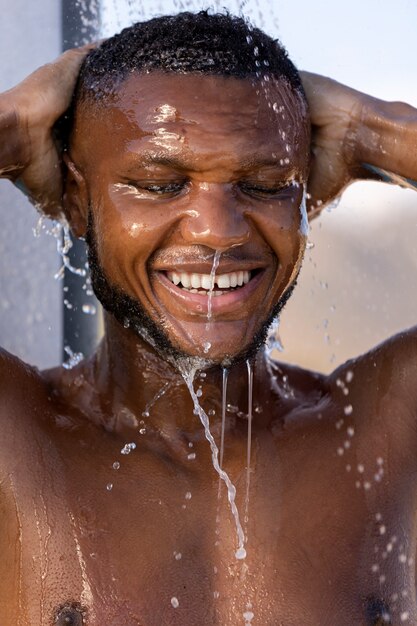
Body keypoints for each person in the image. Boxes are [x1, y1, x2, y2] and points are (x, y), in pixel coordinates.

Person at [0, 10, 416, 626]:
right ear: (78, 199)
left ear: (307, 198)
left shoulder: (380, 427)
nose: (218, 231)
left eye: (266, 184)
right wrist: (12, 124)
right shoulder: (17, 438)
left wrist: (371, 128)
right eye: (159, 184)